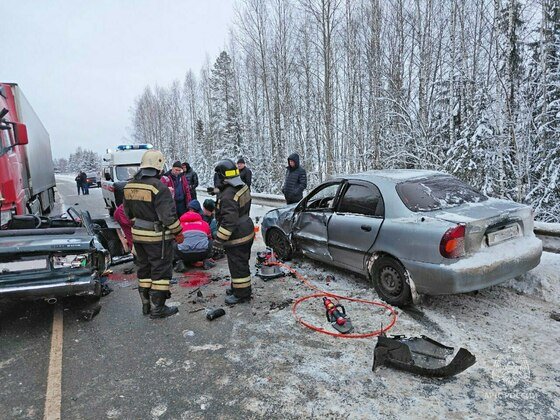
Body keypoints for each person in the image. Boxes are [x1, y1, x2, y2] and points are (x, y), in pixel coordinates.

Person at [123, 150, 184, 319]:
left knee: (144, 268)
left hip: (138, 236)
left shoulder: (129, 186)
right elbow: (168, 217)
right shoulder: (159, 188)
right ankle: (159, 308)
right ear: (159, 167)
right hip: (157, 238)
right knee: (160, 270)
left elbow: (127, 213)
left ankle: (146, 305)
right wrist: (178, 232)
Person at [212, 159, 254, 305]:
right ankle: (238, 288)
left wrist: (218, 241)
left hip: (237, 236)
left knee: (238, 266)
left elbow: (228, 222)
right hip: (246, 228)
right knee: (242, 263)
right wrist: (217, 191)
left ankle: (242, 294)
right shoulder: (242, 186)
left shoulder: (228, 196)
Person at [174, 200, 216, 271]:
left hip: (184, 254)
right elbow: (210, 237)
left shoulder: (179, 225)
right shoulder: (204, 223)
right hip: (202, 253)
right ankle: (206, 260)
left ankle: (179, 261)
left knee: (174, 241)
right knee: (209, 240)